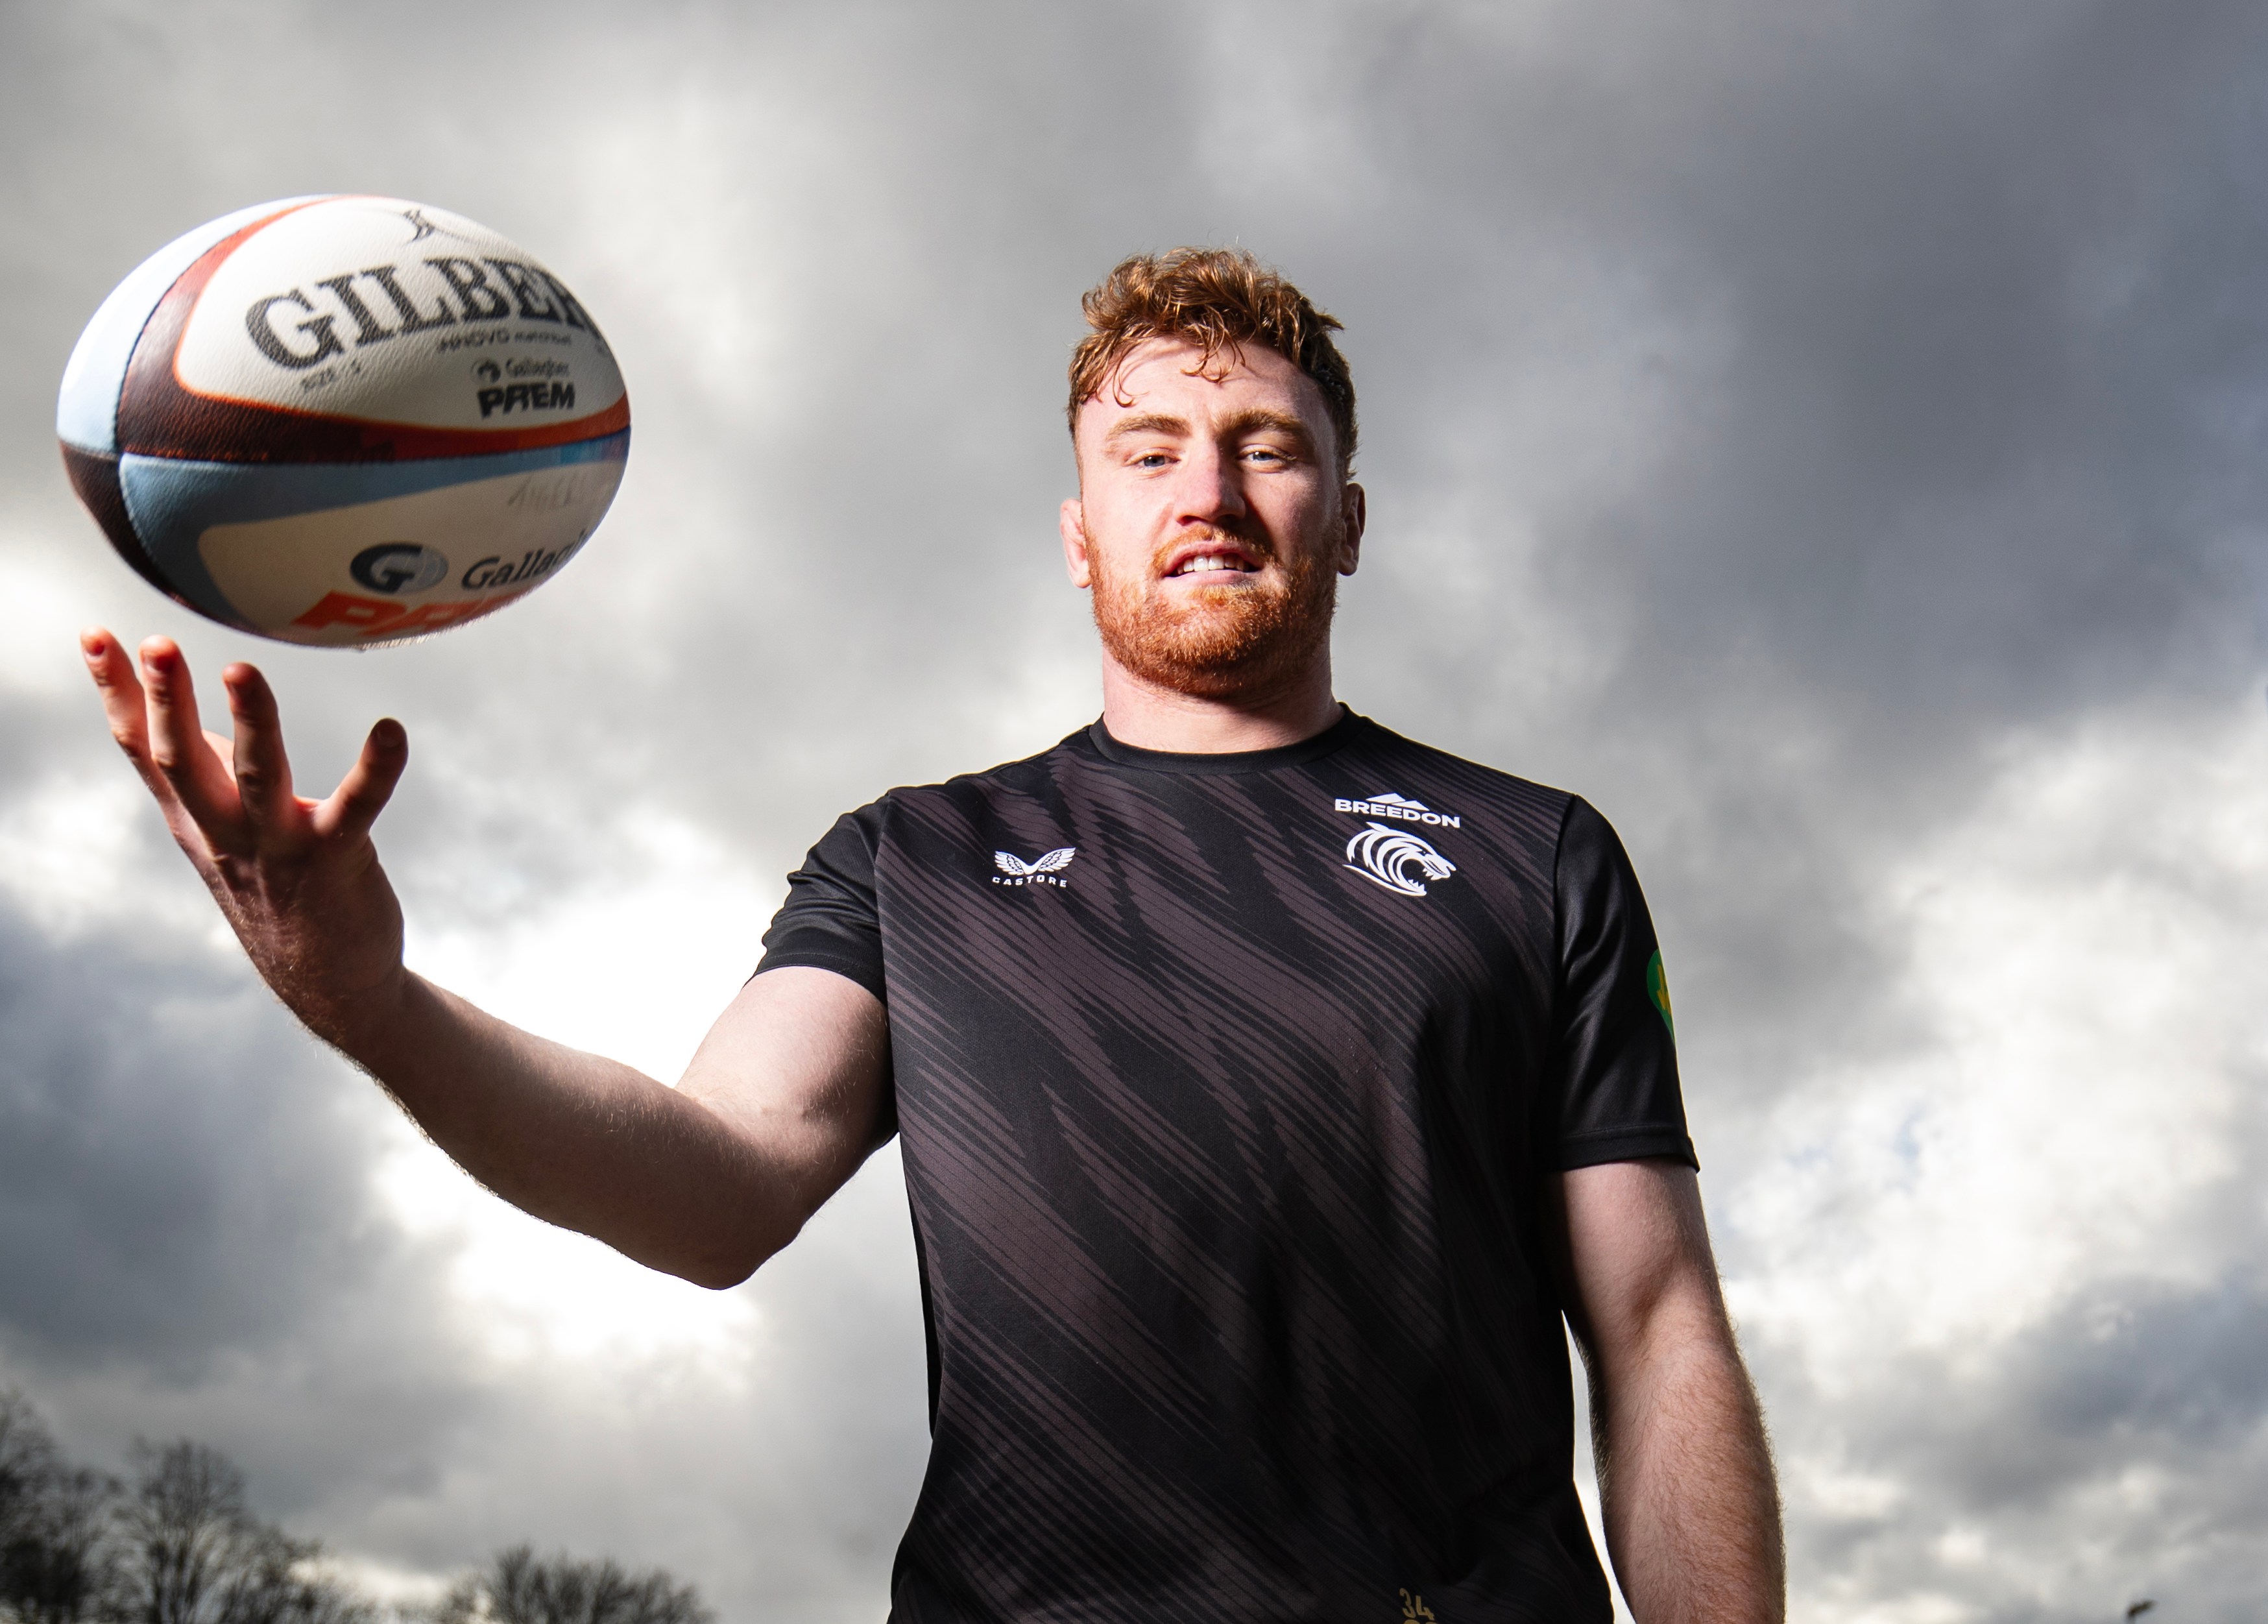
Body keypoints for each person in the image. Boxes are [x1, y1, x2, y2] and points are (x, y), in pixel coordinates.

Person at [79, 248, 1783, 1623]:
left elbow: (1654, 1321)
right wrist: (370, 1000)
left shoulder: (1532, 852)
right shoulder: (917, 859)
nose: (1211, 488)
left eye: (1270, 445)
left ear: (1346, 516)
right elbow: (712, 1183)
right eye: (1149, 453)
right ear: (1080, 533)